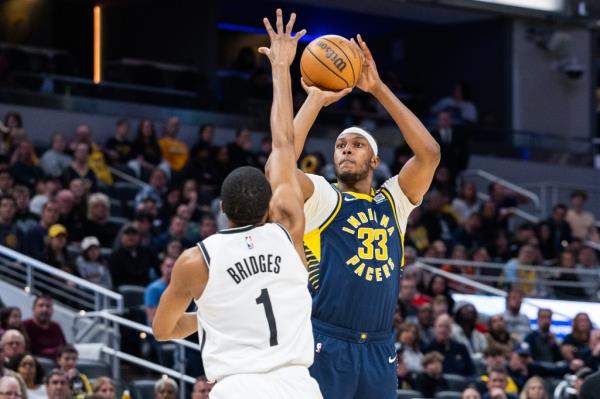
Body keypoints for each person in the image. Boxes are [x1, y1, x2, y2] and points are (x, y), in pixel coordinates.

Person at [152, 10, 322, 398]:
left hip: (238, 388)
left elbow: (163, 330)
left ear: (222, 211)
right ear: (269, 206)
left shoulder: (196, 261)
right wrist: (282, 67)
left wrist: (214, 313)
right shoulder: (288, 229)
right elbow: (283, 145)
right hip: (300, 386)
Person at [293, 31, 439, 399]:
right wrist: (313, 101)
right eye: (340, 145)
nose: (346, 150)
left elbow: (430, 154)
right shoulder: (323, 196)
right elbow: (277, 168)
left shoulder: (393, 200)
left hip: (379, 344)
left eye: (357, 145)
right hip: (327, 339)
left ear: (374, 160)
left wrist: (377, 89)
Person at [144, 256, 176, 325]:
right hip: (160, 330)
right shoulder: (153, 289)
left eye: (174, 266)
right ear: (162, 267)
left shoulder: (181, 287)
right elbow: (152, 318)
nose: (171, 270)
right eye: (168, 266)